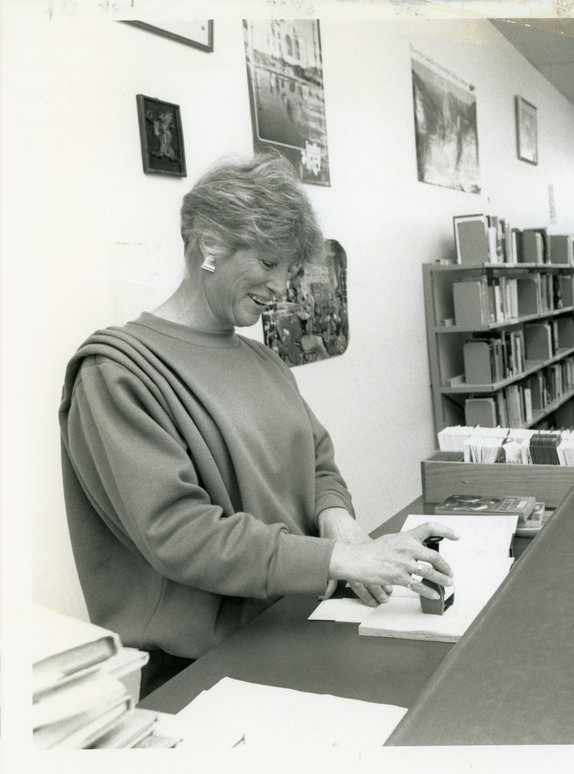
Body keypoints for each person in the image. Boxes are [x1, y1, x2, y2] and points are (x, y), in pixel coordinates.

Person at [59, 151, 457, 695]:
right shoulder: (116, 372)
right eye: (269, 263)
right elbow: (181, 535)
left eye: (290, 270)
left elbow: (318, 464)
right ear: (209, 246)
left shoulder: (265, 361)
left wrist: (343, 527)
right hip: (202, 669)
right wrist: (340, 559)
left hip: (296, 623)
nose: (281, 287)